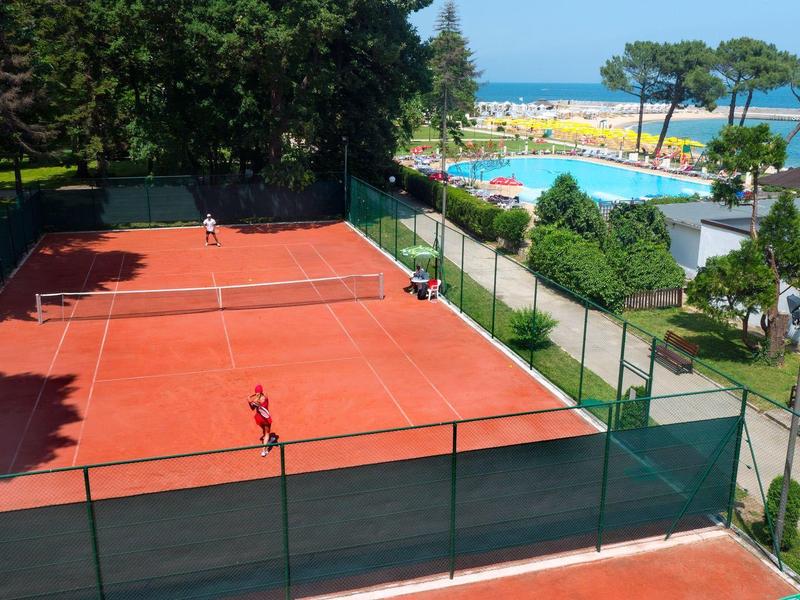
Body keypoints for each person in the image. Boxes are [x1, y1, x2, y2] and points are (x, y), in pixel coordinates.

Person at [247, 384, 273, 456]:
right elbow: (265, 395)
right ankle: (264, 451)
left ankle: (267, 441)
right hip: (265, 419)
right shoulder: (264, 397)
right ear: (262, 391)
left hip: (259, 419)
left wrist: (249, 401)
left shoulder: (255, 400)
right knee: (267, 433)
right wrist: (258, 393)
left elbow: (252, 408)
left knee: (264, 431)